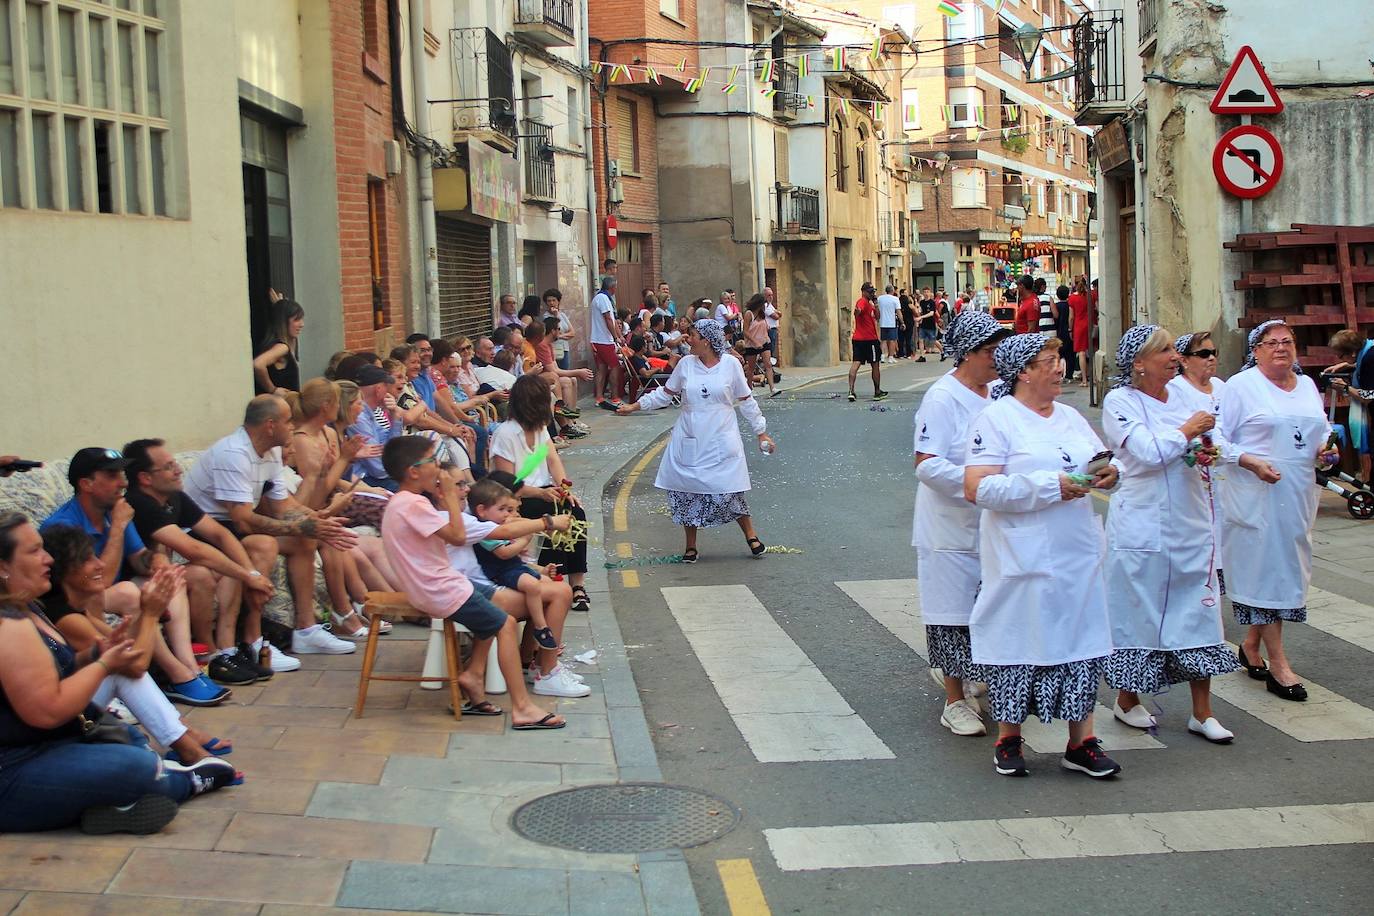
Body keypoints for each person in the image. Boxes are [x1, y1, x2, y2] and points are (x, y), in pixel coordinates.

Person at [0, 514, 238, 835]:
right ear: (2, 567)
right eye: (34, 552)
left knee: (129, 745)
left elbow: (76, 669)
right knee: (138, 768)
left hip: (48, 746)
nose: (48, 560)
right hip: (13, 772)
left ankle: (112, 804)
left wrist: (99, 655)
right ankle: (187, 781)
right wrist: (105, 662)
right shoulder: (8, 626)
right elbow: (47, 712)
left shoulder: (30, 608)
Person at [963, 333, 1122, 779]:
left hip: (1076, 554)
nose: (1060, 367)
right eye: (1049, 361)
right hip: (1022, 556)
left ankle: (1082, 742)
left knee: (1081, 643)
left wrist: (1110, 474)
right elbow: (978, 488)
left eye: (1058, 359)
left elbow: (1101, 462)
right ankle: (1009, 738)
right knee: (1018, 641)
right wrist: (1051, 486)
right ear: (1024, 372)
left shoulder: (1070, 416)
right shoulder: (996, 419)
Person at [1101, 327, 1241, 742]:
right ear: (1139, 363)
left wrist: (1224, 454)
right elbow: (1146, 453)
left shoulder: (1182, 397)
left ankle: (1203, 712)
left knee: (1198, 613)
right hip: (1142, 525)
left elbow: (1209, 445)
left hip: (1191, 520)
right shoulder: (1119, 402)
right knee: (1137, 617)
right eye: (1163, 350)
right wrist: (1187, 432)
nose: (1173, 355)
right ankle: (1127, 699)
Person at [377, 437, 572, 725]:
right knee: (503, 624)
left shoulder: (408, 502)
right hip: (439, 589)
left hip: (443, 584)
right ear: (413, 471)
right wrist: (450, 498)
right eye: (432, 461)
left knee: (496, 618)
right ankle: (522, 708)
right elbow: (457, 535)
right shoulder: (412, 504)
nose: (439, 468)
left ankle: (473, 676)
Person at [42, 449, 226, 706]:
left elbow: (138, 557)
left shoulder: (115, 510)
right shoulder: (64, 526)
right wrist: (117, 526)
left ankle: (189, 667)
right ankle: (176, 674)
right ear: (86, 484)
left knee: (172, 581)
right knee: (129, 592)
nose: (123, 482)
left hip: (108, 589)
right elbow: (100, 583)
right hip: (82, 596)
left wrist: (157, 563)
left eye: (122, 473)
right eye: (112, 475)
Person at [40, 524, 236, 763]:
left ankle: (184, 736)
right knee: (118, 671)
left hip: (76, 705)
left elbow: (128, 649)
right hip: (64, 717)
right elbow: (134, 666)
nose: (99, 564)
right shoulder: (67, 619)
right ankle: (188, 745)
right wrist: (150, 614)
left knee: (119, 664)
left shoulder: (77, 609)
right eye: (88, 559)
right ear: (66, 572)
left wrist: (146, 612)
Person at [182, 395, 360, 658]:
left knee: (309, 539)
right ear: (269, 425)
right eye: (288, 421)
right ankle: (255, 641)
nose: (292, 426)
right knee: (267, 544)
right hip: (204, 530)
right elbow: (241, 517)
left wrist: (316, 520)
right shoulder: (233, 453)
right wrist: (301, 527)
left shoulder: (272, 450)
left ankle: (306, 630)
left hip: (234, 526)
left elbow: (283, 505)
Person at [1220, 320, 1337, 702]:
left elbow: (1319, 434)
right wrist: (1250, 461)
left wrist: (1326, 451)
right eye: (1272, 343)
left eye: (1288, 341)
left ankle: (1250, 645)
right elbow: (1215, 439)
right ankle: (1279, 665)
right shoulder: (1241, 387)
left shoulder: (1306, 385)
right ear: (1256, 351)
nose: (1281, 348)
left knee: (1286, 573)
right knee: (1265, 575)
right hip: (1257, 495)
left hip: (1298, 494)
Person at [913, 312, 1010, 738]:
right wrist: (978, 485)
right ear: (968, 352)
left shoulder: (998, 394)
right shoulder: (942, 398)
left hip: (991, 523)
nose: (997, 360)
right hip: (949, 526)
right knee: (951, 614)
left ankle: (972, 677)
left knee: (986, 609)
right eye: (991, 352)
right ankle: (955, 701)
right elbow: (927, 464)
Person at [121, 438, 279, 686]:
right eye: (168, 466)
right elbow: (194, 550)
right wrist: (249, 576)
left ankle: (227, 651)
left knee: (229, 570)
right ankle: (209, 655)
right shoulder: (139, 502)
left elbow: (219, 534)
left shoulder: (174, 497)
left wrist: (251, 573)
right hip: (132, 578)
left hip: (161, 574)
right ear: (145, 478)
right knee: (201, 572)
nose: (178, 469)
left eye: (175, 463)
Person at [616, 319, 775, 561]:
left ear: (707, 341)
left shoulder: (730, 365)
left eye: (692, 335)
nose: (687, 339)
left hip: (721, 435)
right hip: (690, 434)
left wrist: (760, 431)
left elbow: (746, 400)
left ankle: (751, 536)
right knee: (687, 491)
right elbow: (664, 395)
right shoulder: (686, 365)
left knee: (729, 489)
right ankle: (691, 546)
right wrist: (636, 406)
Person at [490, 376, 594, 612]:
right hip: (516, 499)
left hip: (542, 491)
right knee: (550, 517)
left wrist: (565, 489)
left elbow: (553, 461)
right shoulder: (505, 434)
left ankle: (578, 584)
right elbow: (508, 484)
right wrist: (541, 493)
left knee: (574, 511)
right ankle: (550, 578)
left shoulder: (540, 430)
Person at [468, 481, 558, 650]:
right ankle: (541, 627)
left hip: (513, 568)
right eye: (502, 510)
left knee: (553, 586)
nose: (506, 515)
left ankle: (532, 648)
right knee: (532, 586)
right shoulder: (487, 531)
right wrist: (525, 538)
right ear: (481, 511)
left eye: (508, 510)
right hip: (500, 572)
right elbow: (504, 553)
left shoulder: (499, 525)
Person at [1169, 330, 1228, 584]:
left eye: (1213, 353)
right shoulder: (1175, 389)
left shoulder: (1224, 387)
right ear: (1184, 360)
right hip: (1197, 472)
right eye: (1203, 354)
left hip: (1226, 471)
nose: (1211, 358)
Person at [345, 365, 406, 491]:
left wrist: (396, 418)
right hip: (363, 480)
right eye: (386, 387)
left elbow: (388, 448)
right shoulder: (360, 418)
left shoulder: (370, 413)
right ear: (378, 389)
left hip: (376, 476)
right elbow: (379, 469)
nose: (388, 392)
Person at [1327, 328, 1373, 485]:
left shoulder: (1369, 360)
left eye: (1341, 355)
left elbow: (1369, 396)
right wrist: (1348, 365)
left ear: (1353, 352)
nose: (1339, 359)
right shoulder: (1369, 348)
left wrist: (1345, 388)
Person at [253, 296, 304, 396]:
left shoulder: (275, 344)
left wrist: (280, 305)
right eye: (296, 320)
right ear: (284, 321)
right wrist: (272, 389)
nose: (302, 324)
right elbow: (258, 364)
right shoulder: (282, 348)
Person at [590, 275, 625, 411]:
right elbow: (608, 320)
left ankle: (599, 397)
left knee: (602, 368)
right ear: (612, 287)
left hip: (598, 338)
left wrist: (619, 336)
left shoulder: (599, 298)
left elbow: (613, 319)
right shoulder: (604, 299)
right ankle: (615, 397)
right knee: (615, 366)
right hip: (604, 340)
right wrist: (616, 337)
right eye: (615, 287)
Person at [847, 283, 886, 403]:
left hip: (859, 339)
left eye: (873, 292)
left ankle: (851, 391)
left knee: (856, 363)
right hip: (869, 339)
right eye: (870, 292)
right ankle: (877, 391)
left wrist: (876, 304)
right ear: (863, 291)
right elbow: (858, 311)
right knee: (875, 364)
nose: (872, 294)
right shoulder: (862, 301)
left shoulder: (870, 305)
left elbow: (878, 317)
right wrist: (857, 312)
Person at [741, 293, 777, 398]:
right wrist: (755, 342)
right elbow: (745, 332)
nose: (764, 305)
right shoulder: (749, 314)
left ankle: (772, 388)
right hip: (752, 344)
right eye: (763, 303)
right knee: (751, 367)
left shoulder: (762, 314)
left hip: (764, 341)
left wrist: (767, 328)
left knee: (768, 364)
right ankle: (749, 388)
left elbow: (764, 324)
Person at [1069, 277, 1094, 387]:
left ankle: (1084, 379)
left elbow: (1071, 317)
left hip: (1079, 325)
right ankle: (1092, 376)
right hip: (1090, 323)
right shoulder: (1090, 296)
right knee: (1092, 350)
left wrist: (1070, 329)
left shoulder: (1072, 298)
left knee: (1082, 352)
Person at [542, 289, 575, 370]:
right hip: (553, 349)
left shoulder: (563, 315)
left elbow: (572, 333)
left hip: (564, 348)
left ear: (558, 301)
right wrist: (556, 315)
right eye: (549, 301)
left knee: (566, 371)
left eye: (554, 300)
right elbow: (556, 332)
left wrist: (560, 336)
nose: (551, 303)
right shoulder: (546, 316)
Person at [1053, 284, 1076, 379]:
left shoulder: (1055, 306)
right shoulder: (1069, 306)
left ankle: (1058, 374)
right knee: (1070, 355)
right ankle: (1069, 374)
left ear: (1057, 295)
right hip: (1069, 332)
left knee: (1058, 354)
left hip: (1058, 332)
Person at [877, 285, 903, 363]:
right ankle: (891, 357)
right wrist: (902, 322)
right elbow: (898, 312)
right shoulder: (895, 299)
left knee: (883, 340)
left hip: (882, 322)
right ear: (893, 291)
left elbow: (877, 309)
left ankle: (882, 356)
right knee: (892, 340)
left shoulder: (880, 298)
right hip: (891, 322)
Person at [915, 288, 937, 360]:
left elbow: (931, 313)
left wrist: (921, 317)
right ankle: (922, 356)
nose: (926, 293)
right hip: (923, 323)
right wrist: (918, 311)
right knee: (921, 339)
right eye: (924, 292)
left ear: (930, 293)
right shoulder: (921, 302)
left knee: (933, 340)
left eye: (927, 292)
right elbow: (920, 310)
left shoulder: (932, 302)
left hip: (930, 323)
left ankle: (943, 352)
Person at [763, 286, 781, 370]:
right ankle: (768, 368)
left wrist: (778, 313)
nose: (771, 297)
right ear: (765, 296)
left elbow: (779, 314)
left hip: (774, 330)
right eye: (769, 295)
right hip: (770, 330)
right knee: (770, 349)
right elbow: (776, 316)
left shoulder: (770, 306)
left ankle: (770, 368)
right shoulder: (766, 306)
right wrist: (778, 313)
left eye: (772, 295)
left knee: (772, 348)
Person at [898, 289, 916, 360]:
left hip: (900, 322)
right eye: (905, 293)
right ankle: (908, 353)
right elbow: (916, 312)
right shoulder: (909, 303)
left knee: (901, 339)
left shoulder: (898, 301)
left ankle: (901, 353)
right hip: (909, 322)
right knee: (908, 338)